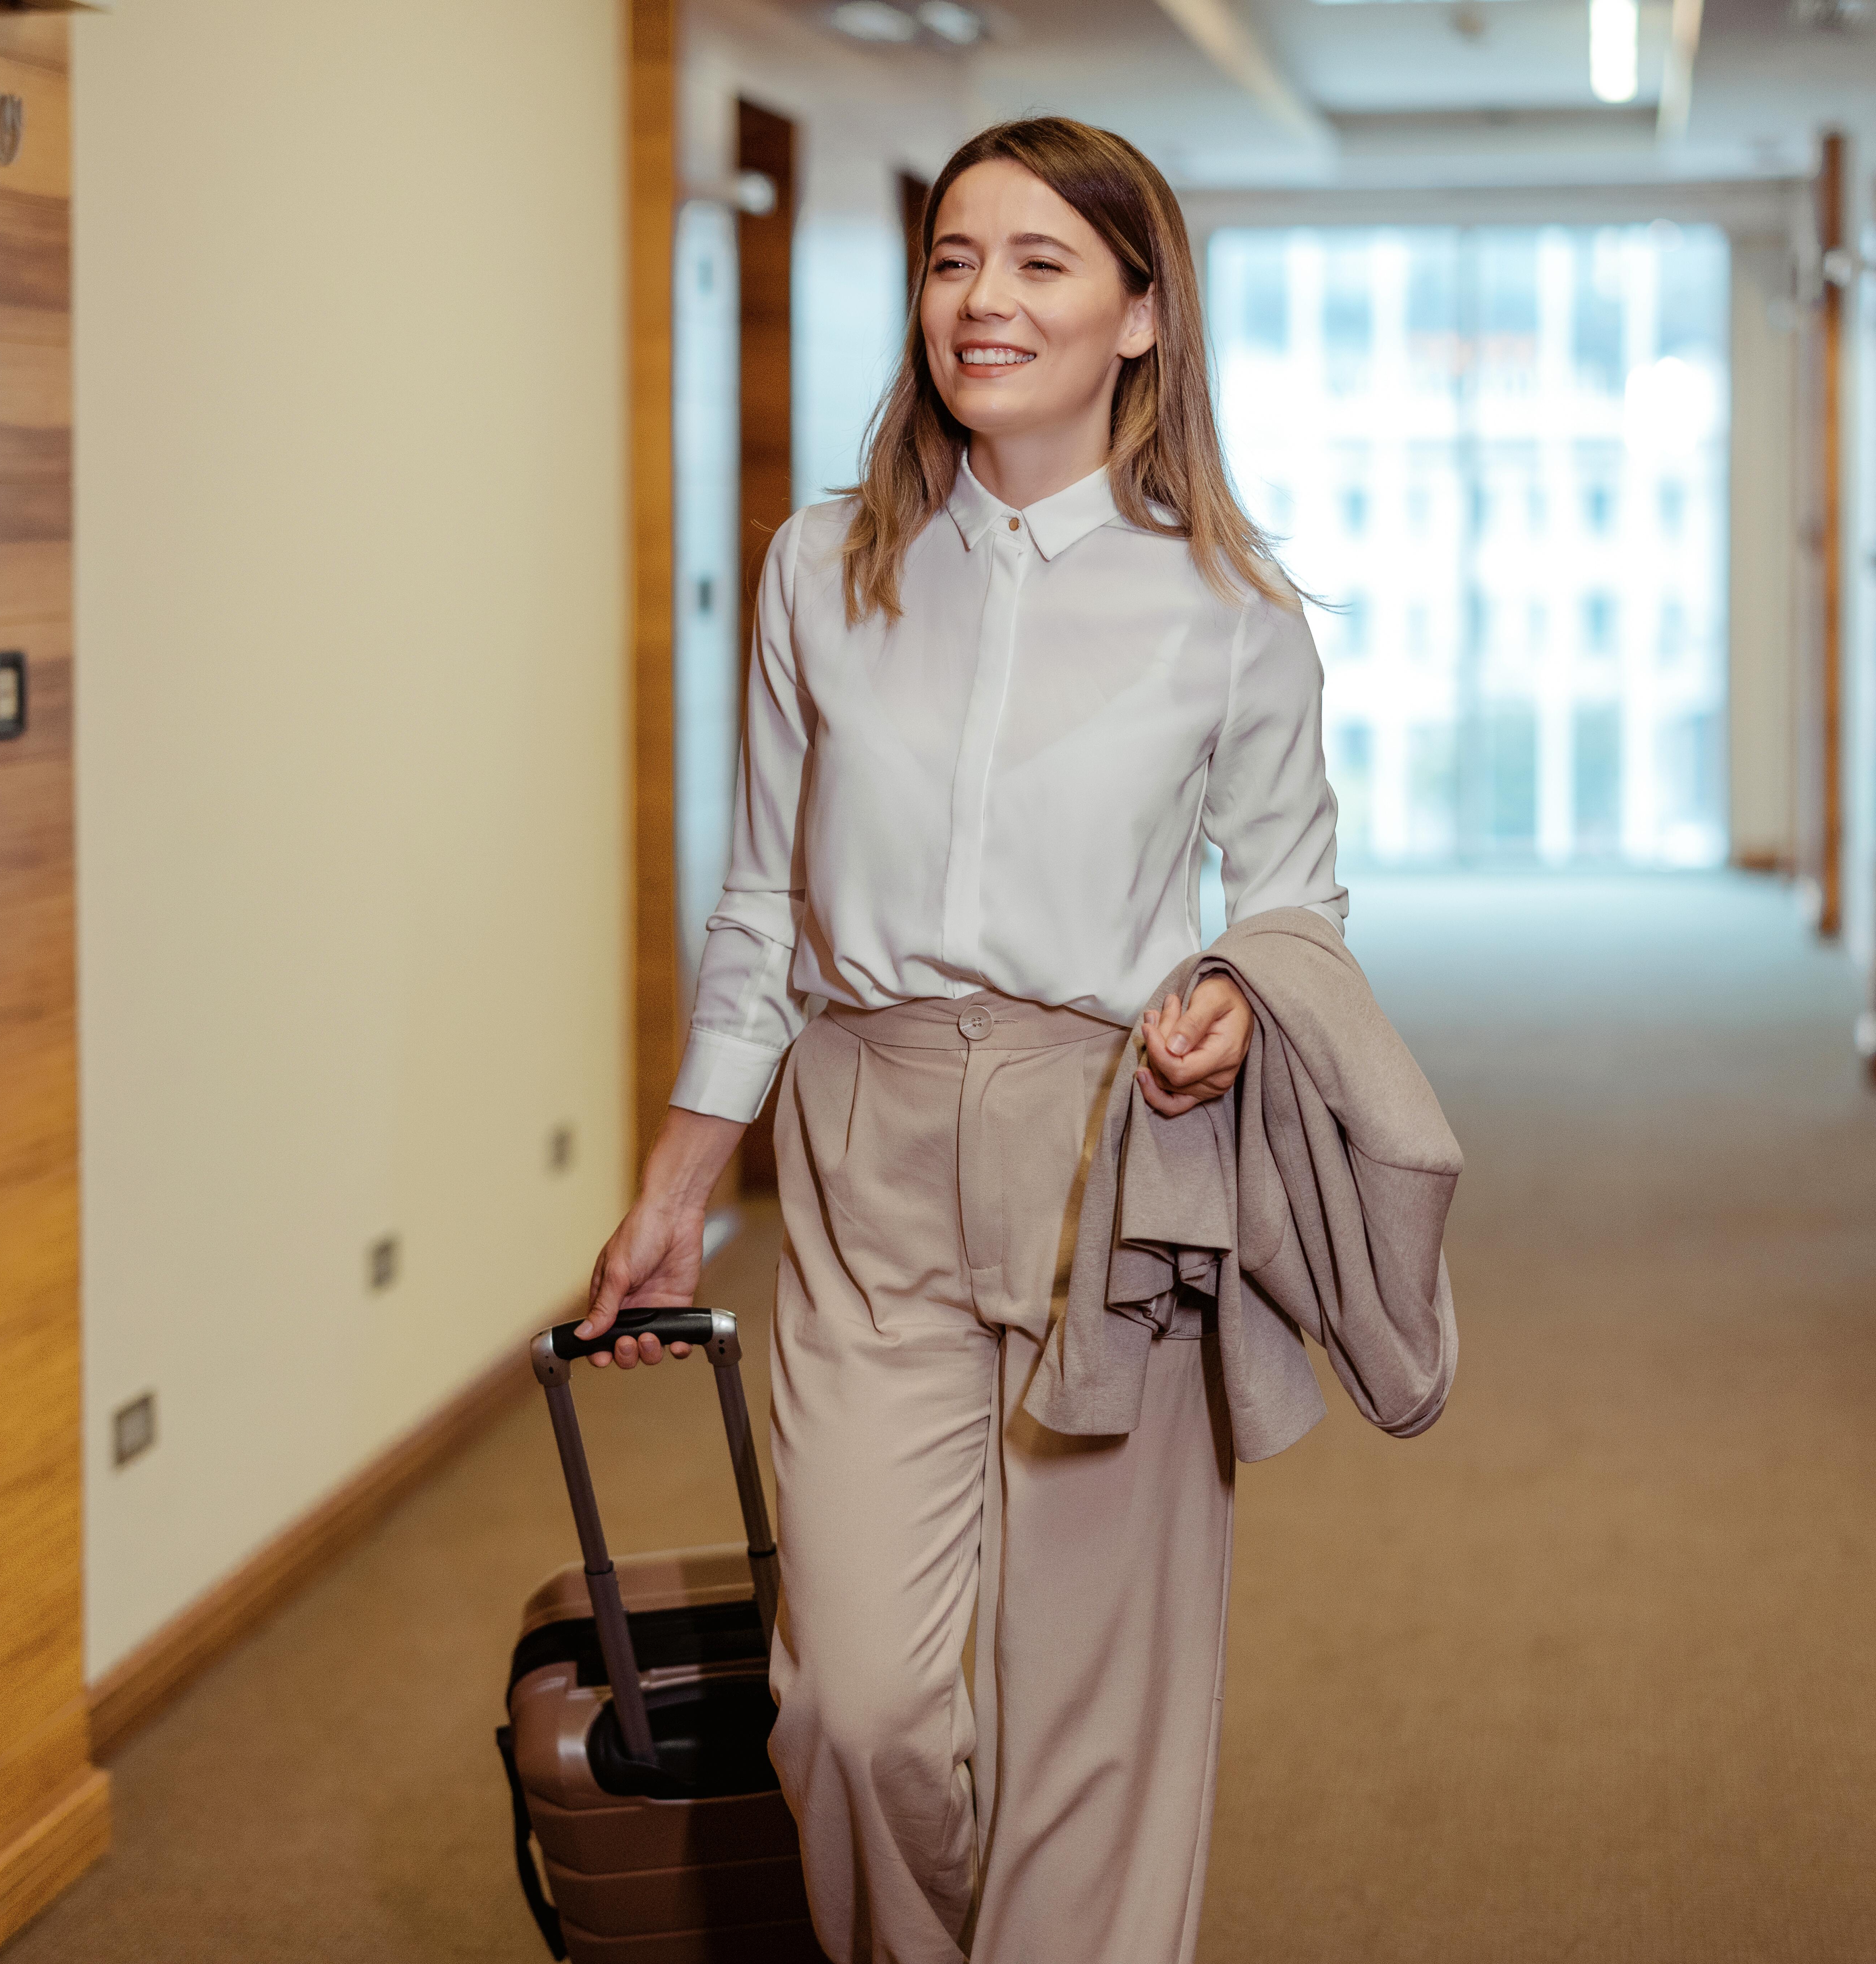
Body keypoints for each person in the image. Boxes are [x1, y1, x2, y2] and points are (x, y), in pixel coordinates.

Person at [578, 117, 1344, 1964]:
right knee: (853, 1707)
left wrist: (1228, 1010)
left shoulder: (1232, 615)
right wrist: (677, 1184)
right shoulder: (817, 568)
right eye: (948, 260)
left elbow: (1293, 914)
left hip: (1111, 1157)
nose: (979, 300)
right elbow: (760, 903)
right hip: (864, 1151)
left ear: (1142, 314)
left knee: (1087, 1725)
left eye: (1036, 262)